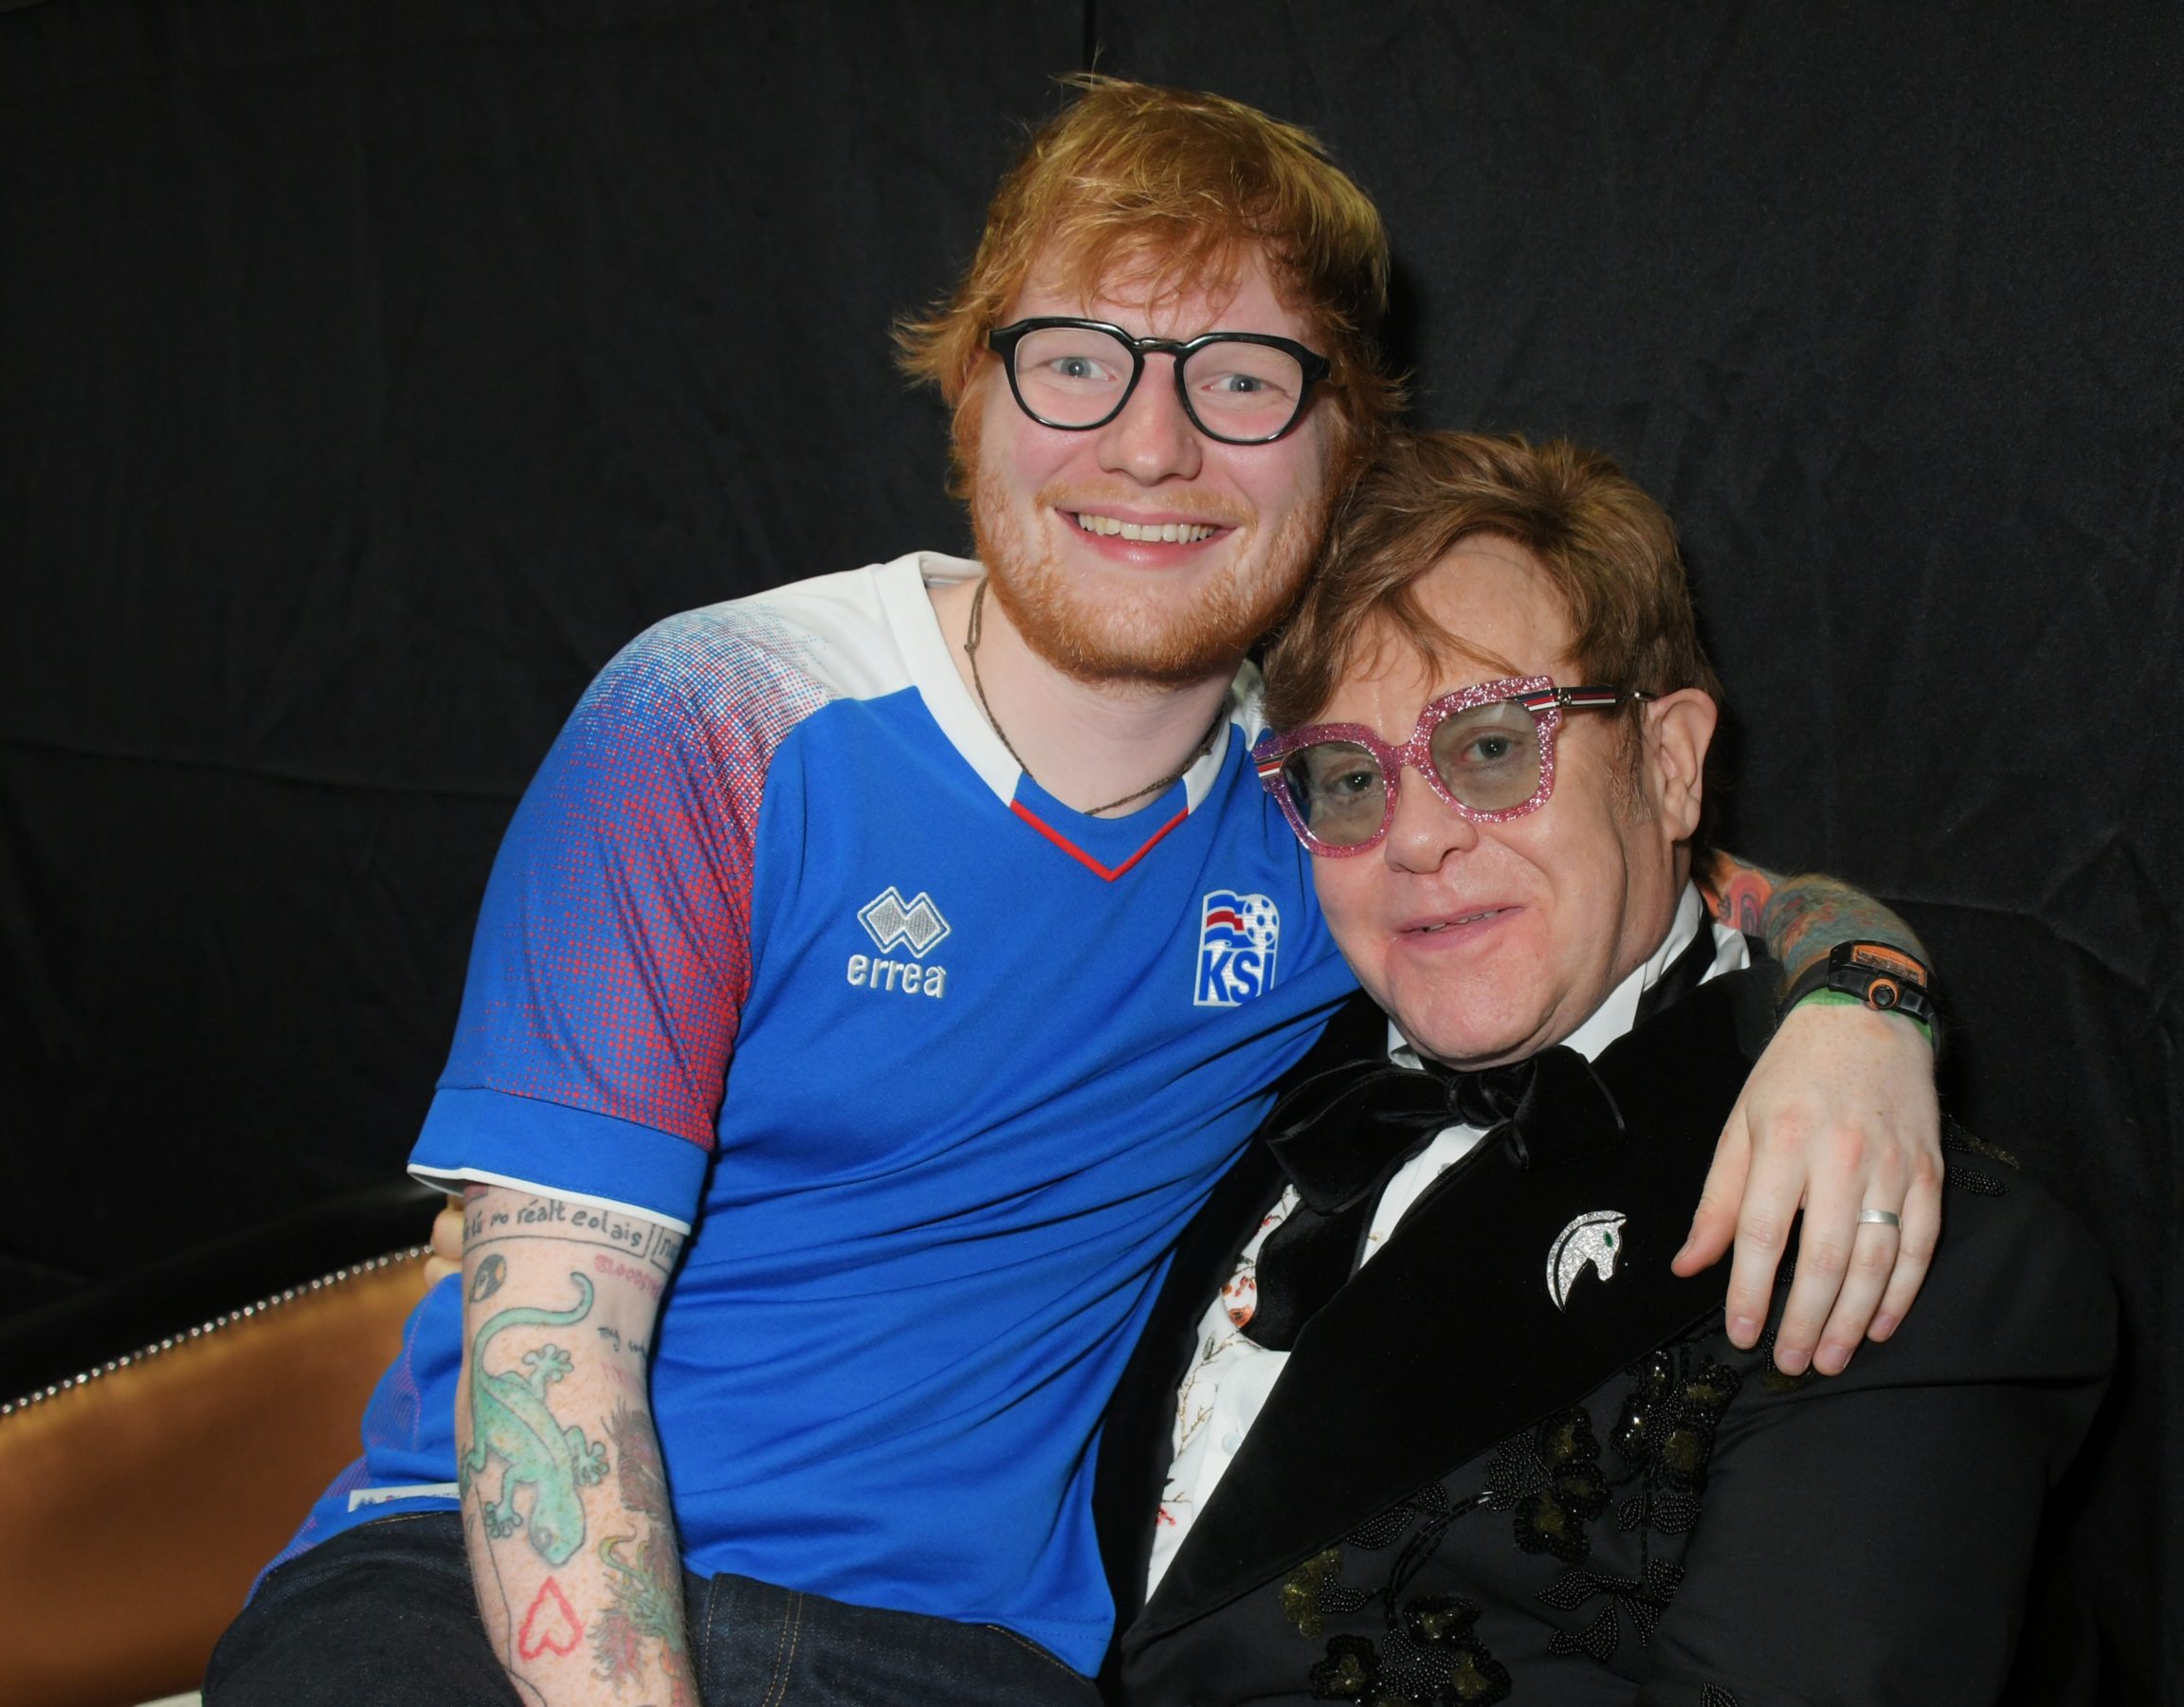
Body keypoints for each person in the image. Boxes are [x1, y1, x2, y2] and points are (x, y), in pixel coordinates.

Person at [208, 81, 1948, 1707]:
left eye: (1242, 379)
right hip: (478, 1589)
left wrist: (1865, 1010)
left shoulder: (1335, 810)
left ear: (1340, 442)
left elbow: (1692, 882)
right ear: (970, 393)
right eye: (1077, 363)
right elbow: (553, 1352)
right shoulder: (717, 720)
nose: (1152, 444)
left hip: (954, 1659)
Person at [1099, 431, 2115, 1705]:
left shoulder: (1880, 1226)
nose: (1413, 838)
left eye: (1490, 748)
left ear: (1670, 764)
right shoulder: (1245, 1060)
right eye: (1349, 777)